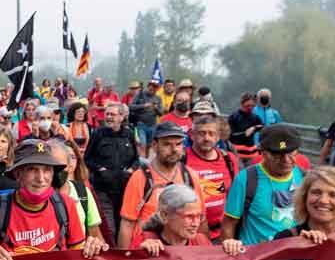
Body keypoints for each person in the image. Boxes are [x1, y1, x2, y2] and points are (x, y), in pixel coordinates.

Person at [117, 122, 205, 250]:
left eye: (178, 144)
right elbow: (127, 223)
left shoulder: (190, 176)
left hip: (182, 252)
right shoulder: (140, 178)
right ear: (154, 145)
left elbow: (201, 220)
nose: (174, 149)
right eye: (167, 144)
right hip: (146, 252)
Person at [220, 125, 304, 245]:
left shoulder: (302, 176)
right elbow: (229, 223)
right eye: (277, 155)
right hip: (256, 257)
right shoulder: (246, 179)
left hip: (291, 253)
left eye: (291, 153)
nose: (286, 160)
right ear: (263, 153)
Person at [85, 103, 140, 243]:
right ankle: (110, 257)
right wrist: (100, 170)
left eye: (113, 114)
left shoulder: (129, 134)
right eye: (107, 114)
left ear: (121, 117)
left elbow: (136, 159)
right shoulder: (98, 133)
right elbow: (88, 158)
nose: (108, 117)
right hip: (103, 189)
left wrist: (131, 170)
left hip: (124, 189)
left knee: (123, 225)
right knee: (109, 228)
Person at [182, 114, 239, 241]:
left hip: (223, 232)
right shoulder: (182, 159)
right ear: (192, 135)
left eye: (211, 133)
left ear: (218, 136)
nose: (206, 138)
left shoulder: (229, 159)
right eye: (201, 133)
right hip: (192, 234)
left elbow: (235, 194)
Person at [53, 139, 102, 240]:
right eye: (51, 166)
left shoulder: (83, 193)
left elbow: (94, 236)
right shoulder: (39, 197)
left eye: (60, 166)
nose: (55, 171)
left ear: (70, 167)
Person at [227, 92, 265, 164]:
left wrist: (254, 128)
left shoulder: (255, 117)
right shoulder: (234, 117)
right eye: (247, 106)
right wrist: (245, 133)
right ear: (242, 104)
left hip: (251, 153)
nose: (250, 108)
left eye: (252, 106)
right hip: (237, 152)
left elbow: (262, 127)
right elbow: (230, 135)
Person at [130, 81, 164, 154]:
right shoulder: (140, 95)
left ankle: (146, 160)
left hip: (153, 125)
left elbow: (161, 113)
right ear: (148, 86)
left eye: (155, 87)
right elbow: (131, 106)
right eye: (151, 86)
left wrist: (156, 108)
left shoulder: (158, 98)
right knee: (143, 144)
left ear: (157, 89)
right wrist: (143, 105)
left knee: (149, 145)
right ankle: (142, 161)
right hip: (141, 124)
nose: (152, 88)